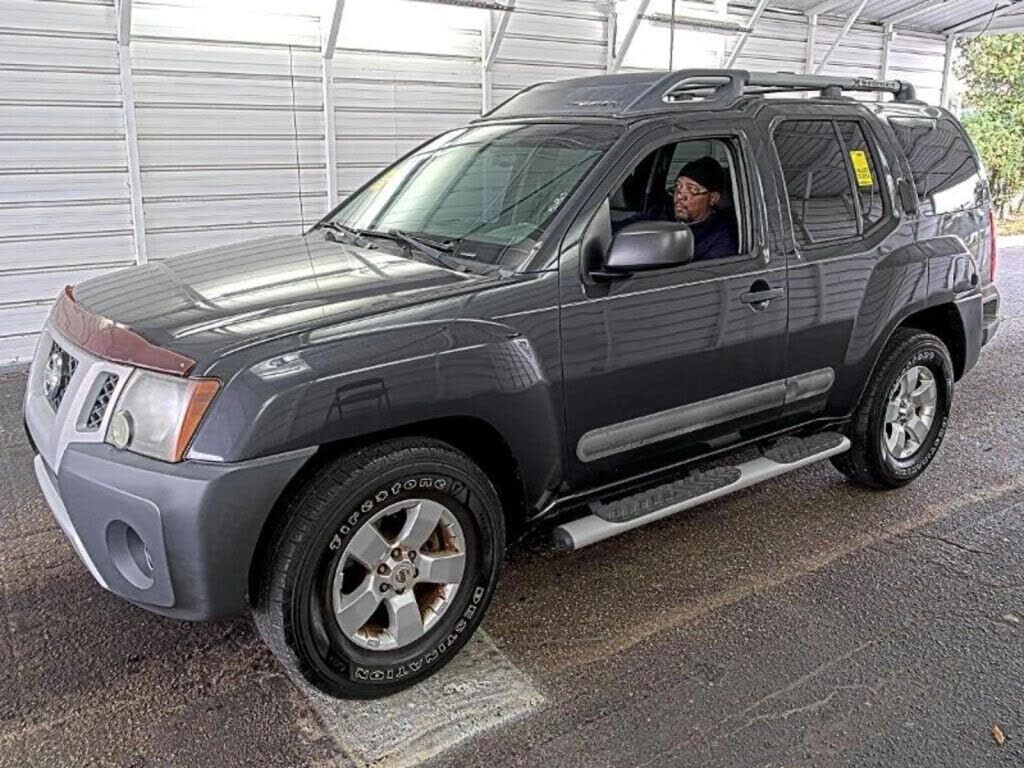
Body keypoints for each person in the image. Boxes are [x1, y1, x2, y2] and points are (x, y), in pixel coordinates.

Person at [671, 156, 738, 261]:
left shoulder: (722, 239)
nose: (679, 196)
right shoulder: (664, 214)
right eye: (678, 186)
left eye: (692, 189)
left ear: (713, 198)